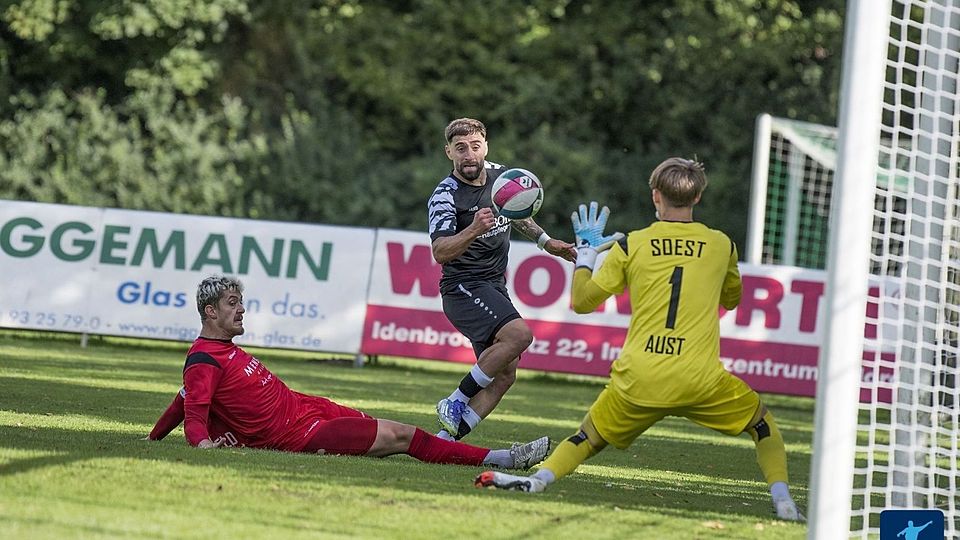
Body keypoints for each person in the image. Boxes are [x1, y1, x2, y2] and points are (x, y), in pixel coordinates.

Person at [474, 158, 805, 522]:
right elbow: (731, 301)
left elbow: (583, 302)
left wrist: (585, 256)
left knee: (588, 438)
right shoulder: (720, 244)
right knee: (761, 424)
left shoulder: (633, 245)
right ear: (697, 198)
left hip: (639, 377)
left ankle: (538, 481)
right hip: (701, 378)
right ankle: (783, 500)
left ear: (655, 196)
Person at [146, 275, 549, 471]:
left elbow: (181, 400)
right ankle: (501, 459)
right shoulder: (204, 358)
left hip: (308, 408)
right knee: (402, 435)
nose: (242, 309)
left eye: (241, 302)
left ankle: (454, 446)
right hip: (298, 433)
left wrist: (152, 439)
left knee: (383, 429)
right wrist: (200, 446)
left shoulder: (219, 353)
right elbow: (194, 410)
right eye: (233, 303)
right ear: (210, 312)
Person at [427, 117, 577, 441]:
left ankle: (446, 440)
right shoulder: (445, 195)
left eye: (475, 146)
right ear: (448, 152)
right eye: (460, 148)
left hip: (494, 285)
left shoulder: (501, 177)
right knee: (521, 335)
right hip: (462, 287)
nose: (469, 155)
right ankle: (455, 401)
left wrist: (547, 243)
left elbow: (519, 213)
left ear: (486, 146)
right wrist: (473, 229)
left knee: (506, 374)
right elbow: (440, 251)